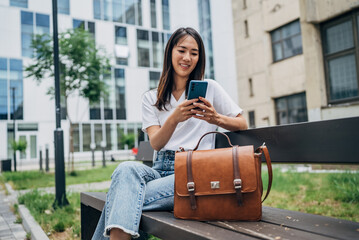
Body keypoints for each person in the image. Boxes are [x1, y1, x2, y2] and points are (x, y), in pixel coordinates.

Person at [91, 27, 248, 240]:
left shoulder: (210, 87)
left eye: (194, 53)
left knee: (121, 197)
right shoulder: (151, 98)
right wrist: (175, 117)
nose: (187, 58)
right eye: (182, 50)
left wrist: (215, 118)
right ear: (170, 53)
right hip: (160, 170)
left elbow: (242, 123)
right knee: (126, 169)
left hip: (194, 172)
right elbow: (156, 143)